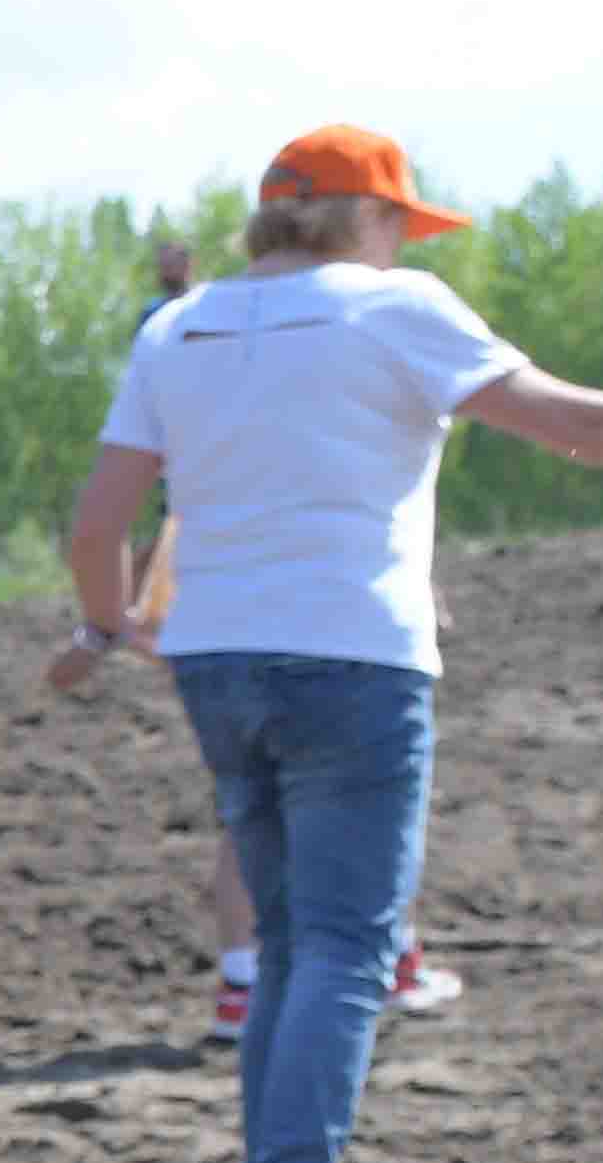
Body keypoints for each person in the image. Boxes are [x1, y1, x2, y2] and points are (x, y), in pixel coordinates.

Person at [49, 122, 603, 1163]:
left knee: (286, 944)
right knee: (344, 947)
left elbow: (98, 519)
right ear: (363, 219)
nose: (401, 244)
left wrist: (105, 623)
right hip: (351, 655)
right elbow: (576, 424)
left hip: (216, 661)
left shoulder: (179, 328)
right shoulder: (396, 310)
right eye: (397, 222)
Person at [133, 230, 460, 1043]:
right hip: (336, 615)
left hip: (226, 611)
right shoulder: (346, 331)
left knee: (256, 812)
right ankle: (392, 959)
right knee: (372, 801)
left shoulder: (189, 332)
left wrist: (110, 614)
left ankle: (248, 984)